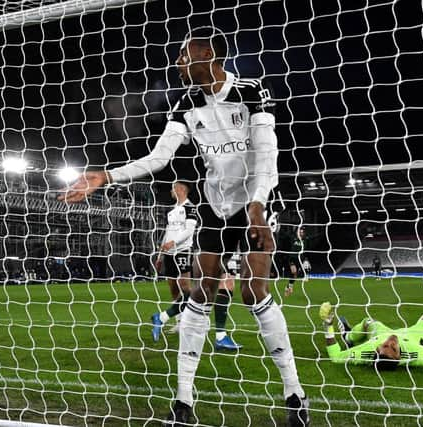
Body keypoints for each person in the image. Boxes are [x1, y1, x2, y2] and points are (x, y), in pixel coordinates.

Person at [60, 26, 309, 426]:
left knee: (252, 291)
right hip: (214, 204)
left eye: (183, 55)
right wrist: (106, 176)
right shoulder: (186, 102)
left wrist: (258, 206)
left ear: (207, 54)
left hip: (256, 199)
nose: (177, 63)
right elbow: (159, 157)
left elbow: (267, 154)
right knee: (202, 291)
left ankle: (294, 394)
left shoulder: (251, 90)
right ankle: (183, 400)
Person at [151, 181, 242, 350]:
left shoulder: (192, 207)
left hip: (189, 249)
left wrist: (174, 242)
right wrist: (161, 254)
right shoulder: (174, 211)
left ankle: (171, 319)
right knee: (199, 289)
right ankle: (174, 319)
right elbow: (168, 232)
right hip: (212, 245)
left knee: (204, 287)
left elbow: (189, 230)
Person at [285, 228, 307, 297]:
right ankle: (289, 287)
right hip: (292, 258)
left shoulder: (305, 240)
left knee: (295, 275)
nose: (301, 233)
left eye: (302, 232)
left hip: (299, 259)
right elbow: (287, 235)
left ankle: (289, 287)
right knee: (294, 271)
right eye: (300, 232)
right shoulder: (293, 238)